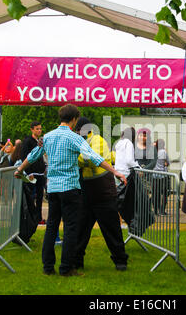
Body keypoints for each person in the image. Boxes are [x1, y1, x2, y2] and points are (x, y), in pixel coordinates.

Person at [14, 104, 127, 277]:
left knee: (51, 227)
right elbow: (94, 158)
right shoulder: (75, 138)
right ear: (74, 119)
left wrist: (19, 170)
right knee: (71, 228)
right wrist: (115, 172)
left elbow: (33, 155)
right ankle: (66, 268)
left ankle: (48, 267)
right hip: (70, 188)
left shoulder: (48, 137)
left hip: (52, 189)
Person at [73, 117, 129, 271]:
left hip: (103, 192)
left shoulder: (97, 140)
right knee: (80, 230)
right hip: (87, 192)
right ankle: (77, 261)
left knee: (111, 229)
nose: (77, 133)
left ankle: (120, 261)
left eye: (78, 130)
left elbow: (89, 159)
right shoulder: (83, 141)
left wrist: (74, 157)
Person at [21, 121, 47, 225]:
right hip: (32, 174)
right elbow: (24, 157)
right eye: (37, 129)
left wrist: (44, 167)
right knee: (31, 197)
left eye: (40, 129)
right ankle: (31, 218)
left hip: (40, 173)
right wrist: (28, 172)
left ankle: (38, 217)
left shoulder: (40, 141)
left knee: (40, 197)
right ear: (32, 129)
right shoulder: (28, 141)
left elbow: (41, 156)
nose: (39, 131)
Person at [152, 138, 170, 215]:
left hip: (154, 175)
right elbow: (168, 162)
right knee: (165, 193)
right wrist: (165, 163)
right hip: (162, 175)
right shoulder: (163, 152)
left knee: (156, 193)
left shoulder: (153, 152)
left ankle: (155, 210)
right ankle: (162, 210)